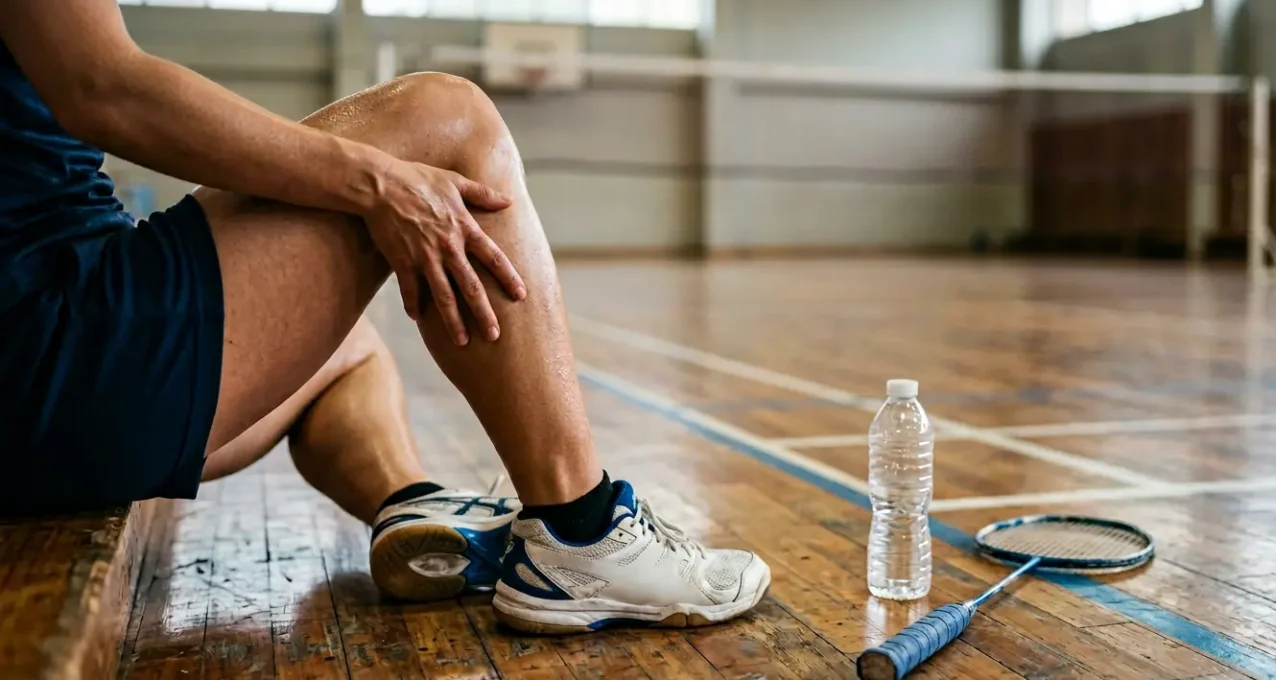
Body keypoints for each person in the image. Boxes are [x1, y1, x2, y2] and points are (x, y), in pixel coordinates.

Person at [0, 2, 769, 633]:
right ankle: (582, 529)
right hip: (53, 356)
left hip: (45, 378)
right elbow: (104, 88)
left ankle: (410, 505)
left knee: (353, 351)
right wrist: (376, 182)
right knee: (446, 118)